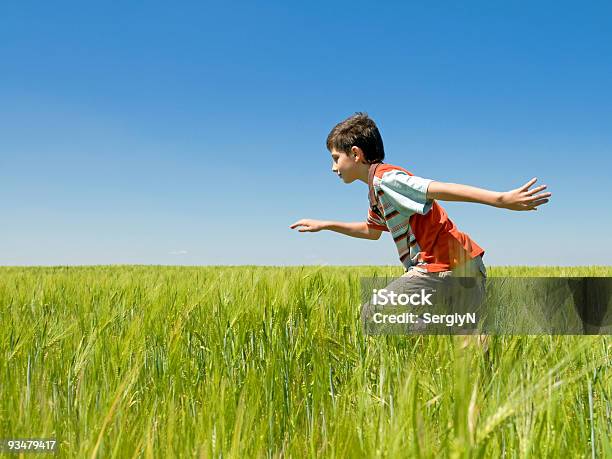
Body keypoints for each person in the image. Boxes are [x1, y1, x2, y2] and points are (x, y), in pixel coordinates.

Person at [289, 112, 552, 334]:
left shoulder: (387, 180)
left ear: (355, 154)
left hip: (441, 267)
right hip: (467, 263)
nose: (333, 167)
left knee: (372, 314)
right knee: (467, 342)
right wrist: (325, 224)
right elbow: (371, 231)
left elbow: (437, 188)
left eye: (336, 158)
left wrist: (500, 199)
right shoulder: (376, 190)